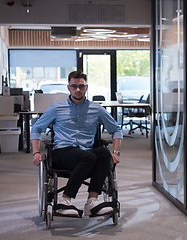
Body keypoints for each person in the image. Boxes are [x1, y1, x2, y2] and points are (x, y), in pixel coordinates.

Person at [31, 70, 123, 217]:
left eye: (81, 86)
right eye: (74, 86)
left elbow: (116, 130)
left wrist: (116, 152)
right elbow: (36, 128)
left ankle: (92, 202)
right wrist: (36, 152)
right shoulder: (56, 107)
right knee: (89, 157)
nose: (78, 90)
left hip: (86, 154)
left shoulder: (96, 108)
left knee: (103, 153)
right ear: (69, 88)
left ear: (86, 87)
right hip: (63, 153)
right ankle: (65, 200)